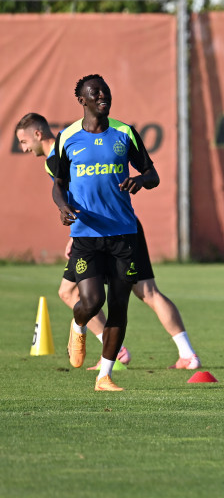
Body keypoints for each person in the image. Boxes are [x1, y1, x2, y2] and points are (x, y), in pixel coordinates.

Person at [16, 112, 201, 372]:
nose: (24, 149)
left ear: (37, 134)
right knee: (141, 292)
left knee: (137, 292)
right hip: (103, 229)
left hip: (109, 230)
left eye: (24, 142)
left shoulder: (61, 153)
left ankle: (122, 350)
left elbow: (73, 195)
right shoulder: (70, 144)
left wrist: (74, 235)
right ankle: (183, 353)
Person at [51, 74, 161, 391]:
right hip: (86, 234)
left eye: (106, 91)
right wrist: (62, 208)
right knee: (92, 300)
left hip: (124, 234)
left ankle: (104, 376)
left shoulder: (125, 134)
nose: (103, 95)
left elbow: (152, 174)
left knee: (120, 305)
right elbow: (58, 184)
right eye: (95, 92)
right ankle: (79, 322)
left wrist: (140, 181)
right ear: (82, 100)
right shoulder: (67, 137)